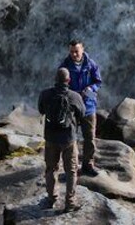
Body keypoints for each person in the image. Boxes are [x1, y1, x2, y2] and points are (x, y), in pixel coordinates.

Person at [38, 67, 86, 212]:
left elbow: (41, 110)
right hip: (68, 138)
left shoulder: (45, 94)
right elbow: (82, 113)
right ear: (68, 80)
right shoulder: (74, 96)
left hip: (51, 138)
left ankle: (51, 199)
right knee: (71, 171)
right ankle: (70, 203)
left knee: (51, 169)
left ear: (55, 79)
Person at [59, 39, 103, 176]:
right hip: (71, 107)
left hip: (88, 106)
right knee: (70, 138)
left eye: (76, 51)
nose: (74, 54)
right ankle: (71, 167)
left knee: (90, 138)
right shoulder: (64, 65)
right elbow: (60, 84)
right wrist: (71, 94)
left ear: (82, 50)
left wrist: (91, 88)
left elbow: (98, 81)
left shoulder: (91, 64)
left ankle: (88, 165)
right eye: (71, 52)